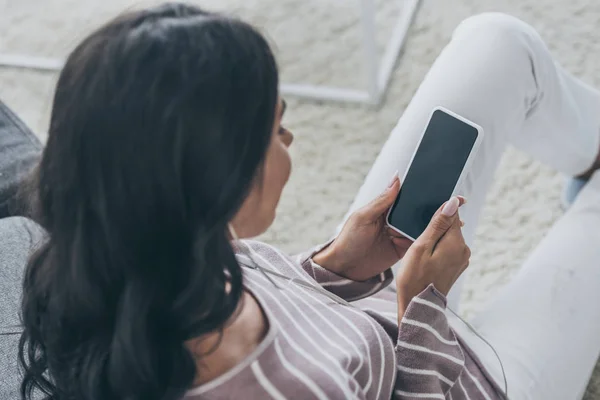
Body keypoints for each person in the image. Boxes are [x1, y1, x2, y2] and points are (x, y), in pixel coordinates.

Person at [1, 3, 600, 400]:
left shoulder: (149, 242)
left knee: (498, 43)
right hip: (464, 377)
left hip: (381, 310)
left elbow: (290, 307)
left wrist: (336, 265)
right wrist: (424, 307)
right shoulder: (276, 387)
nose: (290, 141)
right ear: (223, 185)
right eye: (276, 131)